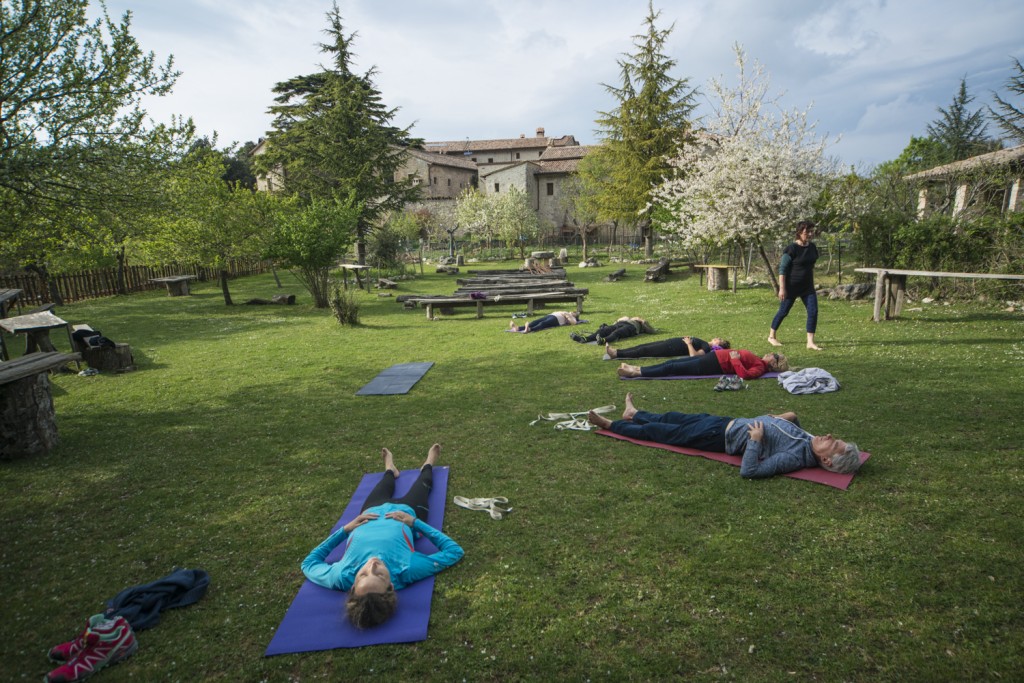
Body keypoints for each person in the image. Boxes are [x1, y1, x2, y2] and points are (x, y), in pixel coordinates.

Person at [301, 444, 464, 629]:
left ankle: (390, 468)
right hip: (408, 511)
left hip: (371, 512)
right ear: (391, 586)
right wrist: (414, 522)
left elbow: (308, 564)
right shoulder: (406, 570)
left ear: (353, 587)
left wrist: (345, 530)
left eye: (362, 574)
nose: (372, 565)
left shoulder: (341, 576)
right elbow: (454, 551)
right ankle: (428, 462)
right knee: (424, 483)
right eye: (379, 574)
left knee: (385, 483)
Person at [587, 393, 863, 479]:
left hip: (718, 437)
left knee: (661, 432)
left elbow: (750, 471)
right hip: (725, 422)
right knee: (673, 416)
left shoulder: (794, 458)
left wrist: (755, 440)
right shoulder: (808, 440)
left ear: (826, 461)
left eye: (833, 443)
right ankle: (633, 414)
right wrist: (789, 417)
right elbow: (791, 426)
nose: (828, 435)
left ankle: (612, 425)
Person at [769, 220, 823, 351]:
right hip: (791, 287)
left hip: (807, 287)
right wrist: (782, 289)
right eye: (807, 232)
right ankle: (771, 336)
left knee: (813, 311)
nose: (810, 234)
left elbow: (810, 264)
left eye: (811, 231)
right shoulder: (791, 249)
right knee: (783, 311)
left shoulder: (812, 247)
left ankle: (810, 342)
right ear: (799, 233)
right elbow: (782, 269)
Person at [616, 348, 787, 380]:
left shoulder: (760, 368)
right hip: (713, 358)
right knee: (673, 363)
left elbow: (745, 375)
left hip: (713, 365)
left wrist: (734, 359)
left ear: (774, 364)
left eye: (776, 356)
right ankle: (637, 368)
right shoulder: (759, 360)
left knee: (673, 368)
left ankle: (636, 373)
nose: (772, 353)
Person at [606, 335, 729, 360]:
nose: (717, 337)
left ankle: (616, 354)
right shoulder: (705, 342)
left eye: (720, 339)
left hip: (670, 349)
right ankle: (616, 351)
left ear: (718, 345)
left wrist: (689, 343)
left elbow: (694, 356)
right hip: (669, 343)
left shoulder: (706, 347)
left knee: (643, 351)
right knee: (642, 346)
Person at [570, 316, 655, 344]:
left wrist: (642, 321)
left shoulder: (639, 322)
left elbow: (651, 331)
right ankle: (585, 339)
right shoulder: (626, 317)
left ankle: (603, 340)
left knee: (617, 332)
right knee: (602, 331)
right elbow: (615, 323)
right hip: (618, 324)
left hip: (631, 327)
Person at [509, 310, 579, 333]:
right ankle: (518, 328)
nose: (572, 312)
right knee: (535, 322)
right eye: (573, 312)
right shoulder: (565, 312)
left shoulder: (572, 317)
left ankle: (530, 329)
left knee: (543, 323)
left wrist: (567, 315)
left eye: (574, 313)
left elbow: (573, 323)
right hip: (550, 316)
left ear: (575, 315)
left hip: (556, 320)